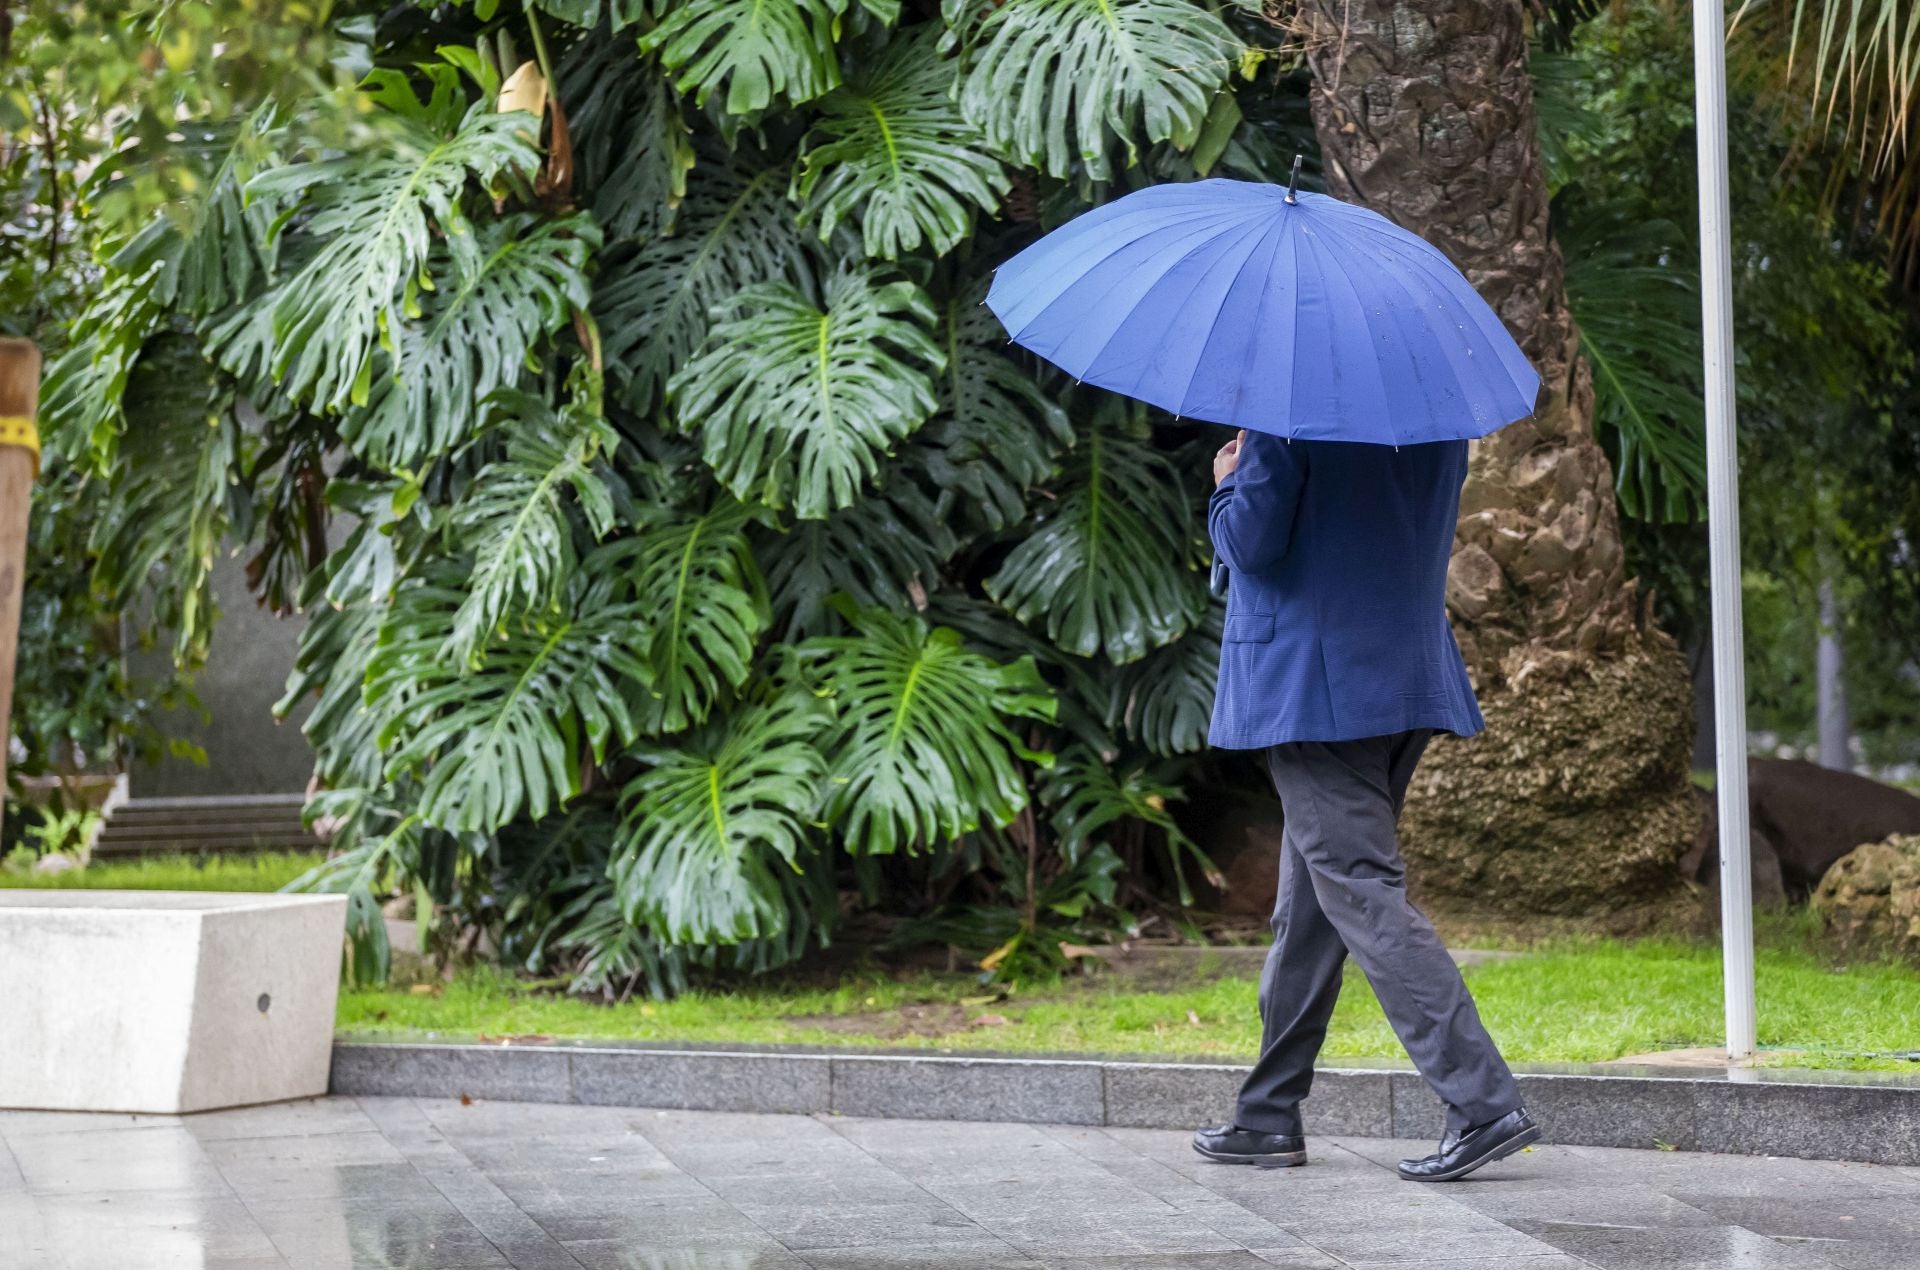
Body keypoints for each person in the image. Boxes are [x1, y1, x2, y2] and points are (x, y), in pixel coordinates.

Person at [1190, 428, 1539, 1183]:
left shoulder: (1291, 414)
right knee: (1312, 907)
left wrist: (1228, 481)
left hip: (1317, 690)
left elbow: (1250, 543)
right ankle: (1267, 1116)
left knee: (1359, 889)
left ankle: (1482, 1102)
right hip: (1403, 678)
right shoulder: (1431, 415)